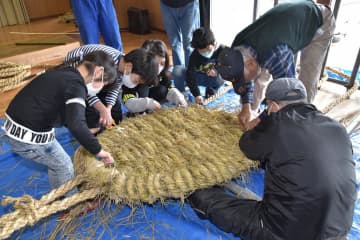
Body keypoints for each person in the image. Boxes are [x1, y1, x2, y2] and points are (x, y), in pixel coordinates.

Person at [188, 78, 356, 240]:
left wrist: (264, 123)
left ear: (274, 106)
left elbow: (247, 145)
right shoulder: (337, 128)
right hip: (338, 230)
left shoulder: (278, 122)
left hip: (283, 232)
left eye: (267, 106)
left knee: (204, 199)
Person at [2, 51, 117, 195]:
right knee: (64, 165)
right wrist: (99, 151)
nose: (100, 87)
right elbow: (76, 124)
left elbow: (61, 109)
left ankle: (60, 193)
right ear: (99, 71)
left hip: (14, 124)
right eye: (103, 82)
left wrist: (85, 130)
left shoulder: (65, 73)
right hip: (25, 136)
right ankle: (69, 205)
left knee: (58, 163)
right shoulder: (77, 85)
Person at [216, 0, 335, 129]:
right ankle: (253, 111)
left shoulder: (276, 54)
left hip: (319, 21)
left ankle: (300, 121)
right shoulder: (237, 49)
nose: (242, 81)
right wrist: (246, 106)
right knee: (258, 77)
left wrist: (259, 121)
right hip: (285, 24)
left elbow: (290, 93)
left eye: (242, 79)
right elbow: (244, 75)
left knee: (307, 77)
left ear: (250, 63)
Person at [65, 45, 159, 134]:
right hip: (77, 80)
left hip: (98, 82)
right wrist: (102, 109)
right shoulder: (105, 64)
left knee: (116, 115)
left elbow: (115, 88)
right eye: (136, 81)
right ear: (129, 67)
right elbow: (88, 90)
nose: (135, 84)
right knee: (94, 117)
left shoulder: (123, 66)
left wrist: (108, 108)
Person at [122, 40, 187, 116]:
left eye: (162, 64)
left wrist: (177, 95)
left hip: (153, 100)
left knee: (162, 89)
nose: (158, 68)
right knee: (143, 89)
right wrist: (146, 103)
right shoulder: (135, 76)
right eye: (156, 64)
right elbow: (128, 100)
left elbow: (169, 85)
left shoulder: (161, 74)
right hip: (139, 102)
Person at [187, 27, 225, 105]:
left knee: (220, 78)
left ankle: (211, 90)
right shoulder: (194, 55)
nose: (206, 53)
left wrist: (217, 70)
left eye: (208, 50)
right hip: (200, 76)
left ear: (213, 43)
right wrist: (197, 94)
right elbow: (191, 75)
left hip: (215, 78)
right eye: (202, 52)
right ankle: (183, 93)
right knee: (180, 72)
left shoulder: (222, 50)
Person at [160, 0, 200, 67]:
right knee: (174, 43)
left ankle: (190, 72)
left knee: (190, 44)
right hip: (166, 4)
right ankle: (178, 70)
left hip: (189, 4)